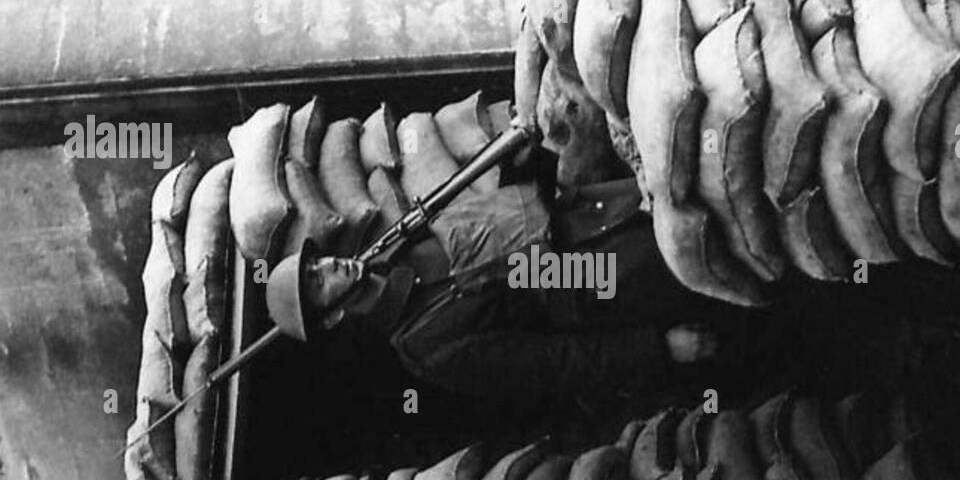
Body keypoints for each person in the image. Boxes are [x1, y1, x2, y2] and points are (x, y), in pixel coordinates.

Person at [267, 167, 734, 403]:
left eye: (316, 261)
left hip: (585, 212)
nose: (327, 264)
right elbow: (553, 365)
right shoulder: (427, 346)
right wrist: (657, 348)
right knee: (718, 245)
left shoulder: (395, 249)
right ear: (332, 316)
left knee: (713, 188)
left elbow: (486, 220)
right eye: (316, 281)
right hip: (586, 277)